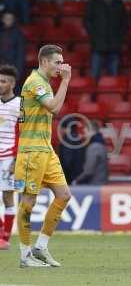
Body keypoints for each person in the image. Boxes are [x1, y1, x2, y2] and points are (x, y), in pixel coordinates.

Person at [15, 44, 72, 268]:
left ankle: (41, 246)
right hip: (31, 151)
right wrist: (66, 81)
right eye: (58, 62)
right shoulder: (35, 82)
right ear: (45, 61)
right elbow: (54, 108)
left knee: (64, 195)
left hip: (45, 150)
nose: (61, 66)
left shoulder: (44, 82)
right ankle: (24, 254)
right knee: (29, 200)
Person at [84, 0, 127, 80]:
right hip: (98, 44)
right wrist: (94, 36)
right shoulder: (93, 1)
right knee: (94, 75)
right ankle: (93, 94)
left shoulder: (119, 3)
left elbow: (124, 23)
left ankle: (113, 95)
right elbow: (87, 21)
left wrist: (120, 38)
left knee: (113, 75)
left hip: (114, 44)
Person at [0, 65, 20, 250]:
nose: (0, 84)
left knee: (7, 197)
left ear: (12, 84)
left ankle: (5, 238)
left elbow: (23, 133)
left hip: (8, 158)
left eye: (3, 81)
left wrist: (16, 159)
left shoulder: (20, 105)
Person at [72, 120, 108, 186]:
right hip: (101, 183)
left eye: (85, 132)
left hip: (94, 185)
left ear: (91, 131)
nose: (84, 135)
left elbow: (88, 171)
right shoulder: (101, 144)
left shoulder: (93, 147)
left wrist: (76, 180)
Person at [0, 11, 25, 91]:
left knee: (14, 95)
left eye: (10, 19)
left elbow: (20, 55)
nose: (8, 20)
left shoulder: (18, 34)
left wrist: (18, 72)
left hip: (12, 68)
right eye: (6, 18)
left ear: (13, 20)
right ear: (2, 19)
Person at [58, 117, 84, 185]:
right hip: (78, 175)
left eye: (62, 128)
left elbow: (67, 162)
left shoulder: (67, 140)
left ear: (67, 128)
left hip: (70, 178)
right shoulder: (78, 139)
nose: (60, 130)